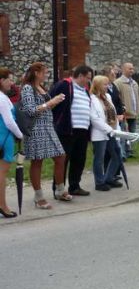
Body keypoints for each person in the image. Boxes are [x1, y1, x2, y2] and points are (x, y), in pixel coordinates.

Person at [20, 62, 68, 208]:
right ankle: (38, 196)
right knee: (37, 161)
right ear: (36, 73)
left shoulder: (41, 88)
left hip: (48, 127)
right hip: (35, 129)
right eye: (44, 72)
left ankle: (60, 190)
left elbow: (45, 108)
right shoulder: (28, 88)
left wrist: (55, 102)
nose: (46, 75)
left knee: (61, 156)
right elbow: (30, 110)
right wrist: (50, 102)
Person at [50, 64, 93, 196]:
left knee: (79, 159)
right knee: (63, 160)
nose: (89, 80)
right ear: (80, 76)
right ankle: (58, 188)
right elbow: (51, 101)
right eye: (88, 77)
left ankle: (74, 186)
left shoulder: (85, 90)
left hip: (82, 130)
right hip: (67, 130)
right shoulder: (64, 85)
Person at [89, 75, 123, 191]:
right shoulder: (92, 99)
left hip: (113, 132)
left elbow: (113, 113)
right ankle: (99, 182)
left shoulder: (108, 96)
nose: (107, 86)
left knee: (117, 155)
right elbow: (94, 118)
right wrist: (108, 129)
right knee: (99, 158)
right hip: (100, 133)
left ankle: (109, 178)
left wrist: (116, 130)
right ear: (98, 85)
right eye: (105, 84)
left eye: (108, 84)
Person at [0, 68, 23, 218]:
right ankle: (2, 205)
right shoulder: (1, 98)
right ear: (1, 81)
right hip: (4, 138)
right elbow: (9, 122)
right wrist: (21, 135)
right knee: (1, 173)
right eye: (9, 79)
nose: (12, 83)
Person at [115, 62, 139, 157]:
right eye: (129, 69)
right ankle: (123, 153)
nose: (132, 71)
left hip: (134, 113)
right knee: (123, 134)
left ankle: (130, 151)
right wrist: (121, 111)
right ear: (124, 69)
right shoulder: (118, 83)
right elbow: (117, 98)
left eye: (132, 69)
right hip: (124, 114)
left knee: (132, 133)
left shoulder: (134, 83)